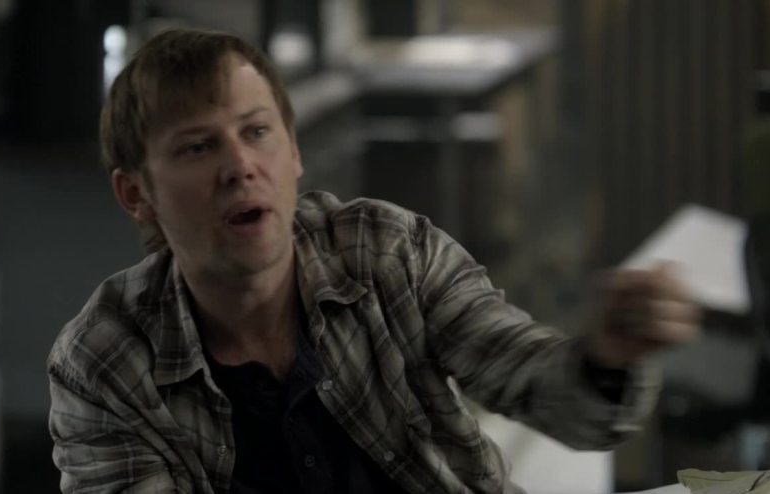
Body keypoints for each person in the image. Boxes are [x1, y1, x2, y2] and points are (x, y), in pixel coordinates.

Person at [47, 28, 699, 494]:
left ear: (293, 153)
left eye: (256, 131)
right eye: (197, 147)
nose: (240, 165)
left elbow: (546, 391)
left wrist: (608, 357)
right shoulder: (103, 363)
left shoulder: (387, 252)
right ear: (136, 194)